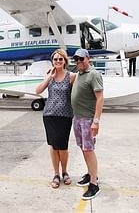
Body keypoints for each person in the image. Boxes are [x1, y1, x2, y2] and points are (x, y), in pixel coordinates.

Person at [35, 49, 76, 189]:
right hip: (49, 115)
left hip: (65, 116)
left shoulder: (71, 76)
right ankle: (56, 174)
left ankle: (65, 171)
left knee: (63, 147)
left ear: (65, 61)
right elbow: (38, 91)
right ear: (52, 61)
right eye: (55, 59)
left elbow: (77, 95)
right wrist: (48, 77)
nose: (58, 61)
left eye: (60, 59)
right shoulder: (49, 76)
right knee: (53, 146)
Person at [71, 48, 104, 200]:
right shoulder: (79, 74)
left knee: (89, 150)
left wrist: (96, 121)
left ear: (88, 59)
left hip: (87, 119)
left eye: (81, 59)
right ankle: (91, 174)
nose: (78, 62)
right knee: (83, 149)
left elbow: (100, 98)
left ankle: (94, 184)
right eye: (76, 59)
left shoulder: (94, 74)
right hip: (77, 118)